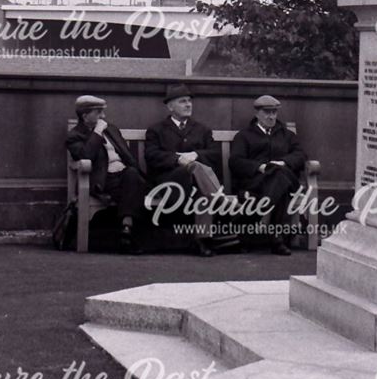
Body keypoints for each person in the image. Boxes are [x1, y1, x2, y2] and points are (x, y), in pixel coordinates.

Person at [144, 84, 222, 258]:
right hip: (168, 182)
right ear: (170, 106)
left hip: (196, 184)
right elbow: (151, 155)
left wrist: (195, 154)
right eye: (182, 101)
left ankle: (202, 240)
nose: (188, 105)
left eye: (189, 101)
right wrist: (177, 159)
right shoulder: (156, 130)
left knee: (201, 190)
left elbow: (215, 153)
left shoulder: (202, 129)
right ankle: (220, 200)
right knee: (194, 169)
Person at [65, 95, 147, 253]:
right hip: (102, 180)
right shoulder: (74, 136)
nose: (103, 116)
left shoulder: (112, 130)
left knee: (131, 175)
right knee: (133, 184)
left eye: (103, 112)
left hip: (124, 175)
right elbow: (85, 156)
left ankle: (126, 228)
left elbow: (128, 156)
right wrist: (96, 132)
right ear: (85, 116)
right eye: (98, 113)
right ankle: (127, 231)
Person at [229, 95, 306, 256]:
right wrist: (261, 167)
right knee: (281, 181)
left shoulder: (287, 135)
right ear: (257, 114)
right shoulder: (244, 136)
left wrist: (283, 163)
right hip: (256, 182)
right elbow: (235, 162)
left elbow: (300, 155)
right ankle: (276, 238)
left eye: (274, 112)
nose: (271, 116)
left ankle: (251, 219)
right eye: (267, 113)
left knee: (279, 175)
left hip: (280, 180)